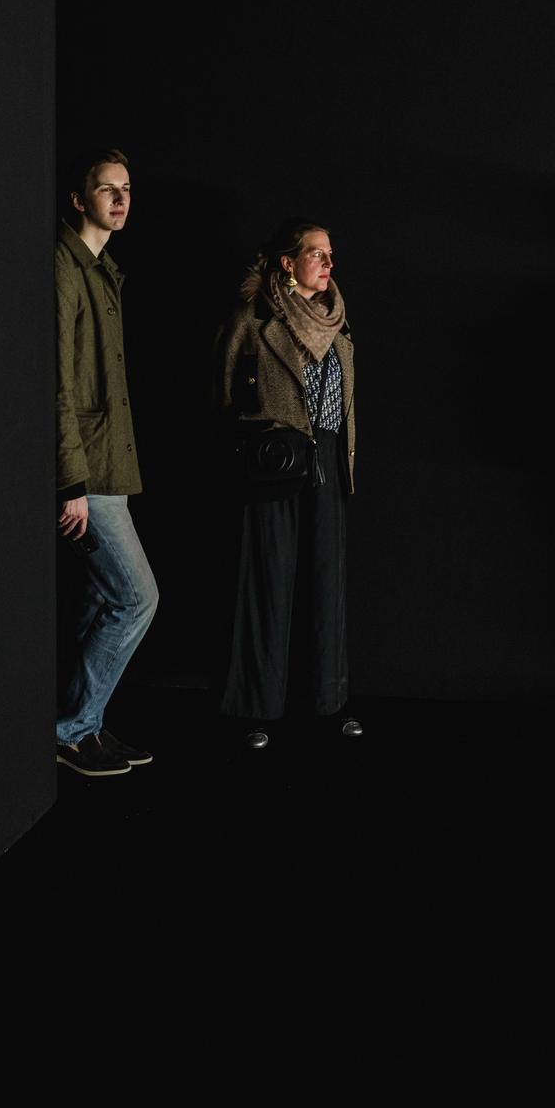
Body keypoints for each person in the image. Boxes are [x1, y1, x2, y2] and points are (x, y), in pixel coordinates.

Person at [214, 219, 360, 749]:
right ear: (287, 262)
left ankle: (327, 704)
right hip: (272, 464)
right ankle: (256, 709)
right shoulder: (253, 320)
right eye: (316, 253)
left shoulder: (337, 322)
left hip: (328, 463)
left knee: (326, 585)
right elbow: (223, 395)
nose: (328, 263)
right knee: (267, 584)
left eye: (330, 254)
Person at [55, 148, 159, 776]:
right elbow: (56, 384)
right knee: (137, 598)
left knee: (99, 603)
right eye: (106, 189)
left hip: (110, 467)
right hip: (87, 472)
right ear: (78, 199)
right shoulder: (63, 267)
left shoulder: (103, 271)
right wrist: (70, 479)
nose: (120, 199)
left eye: (126, 189)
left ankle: (82, 726)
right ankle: (72, 729)